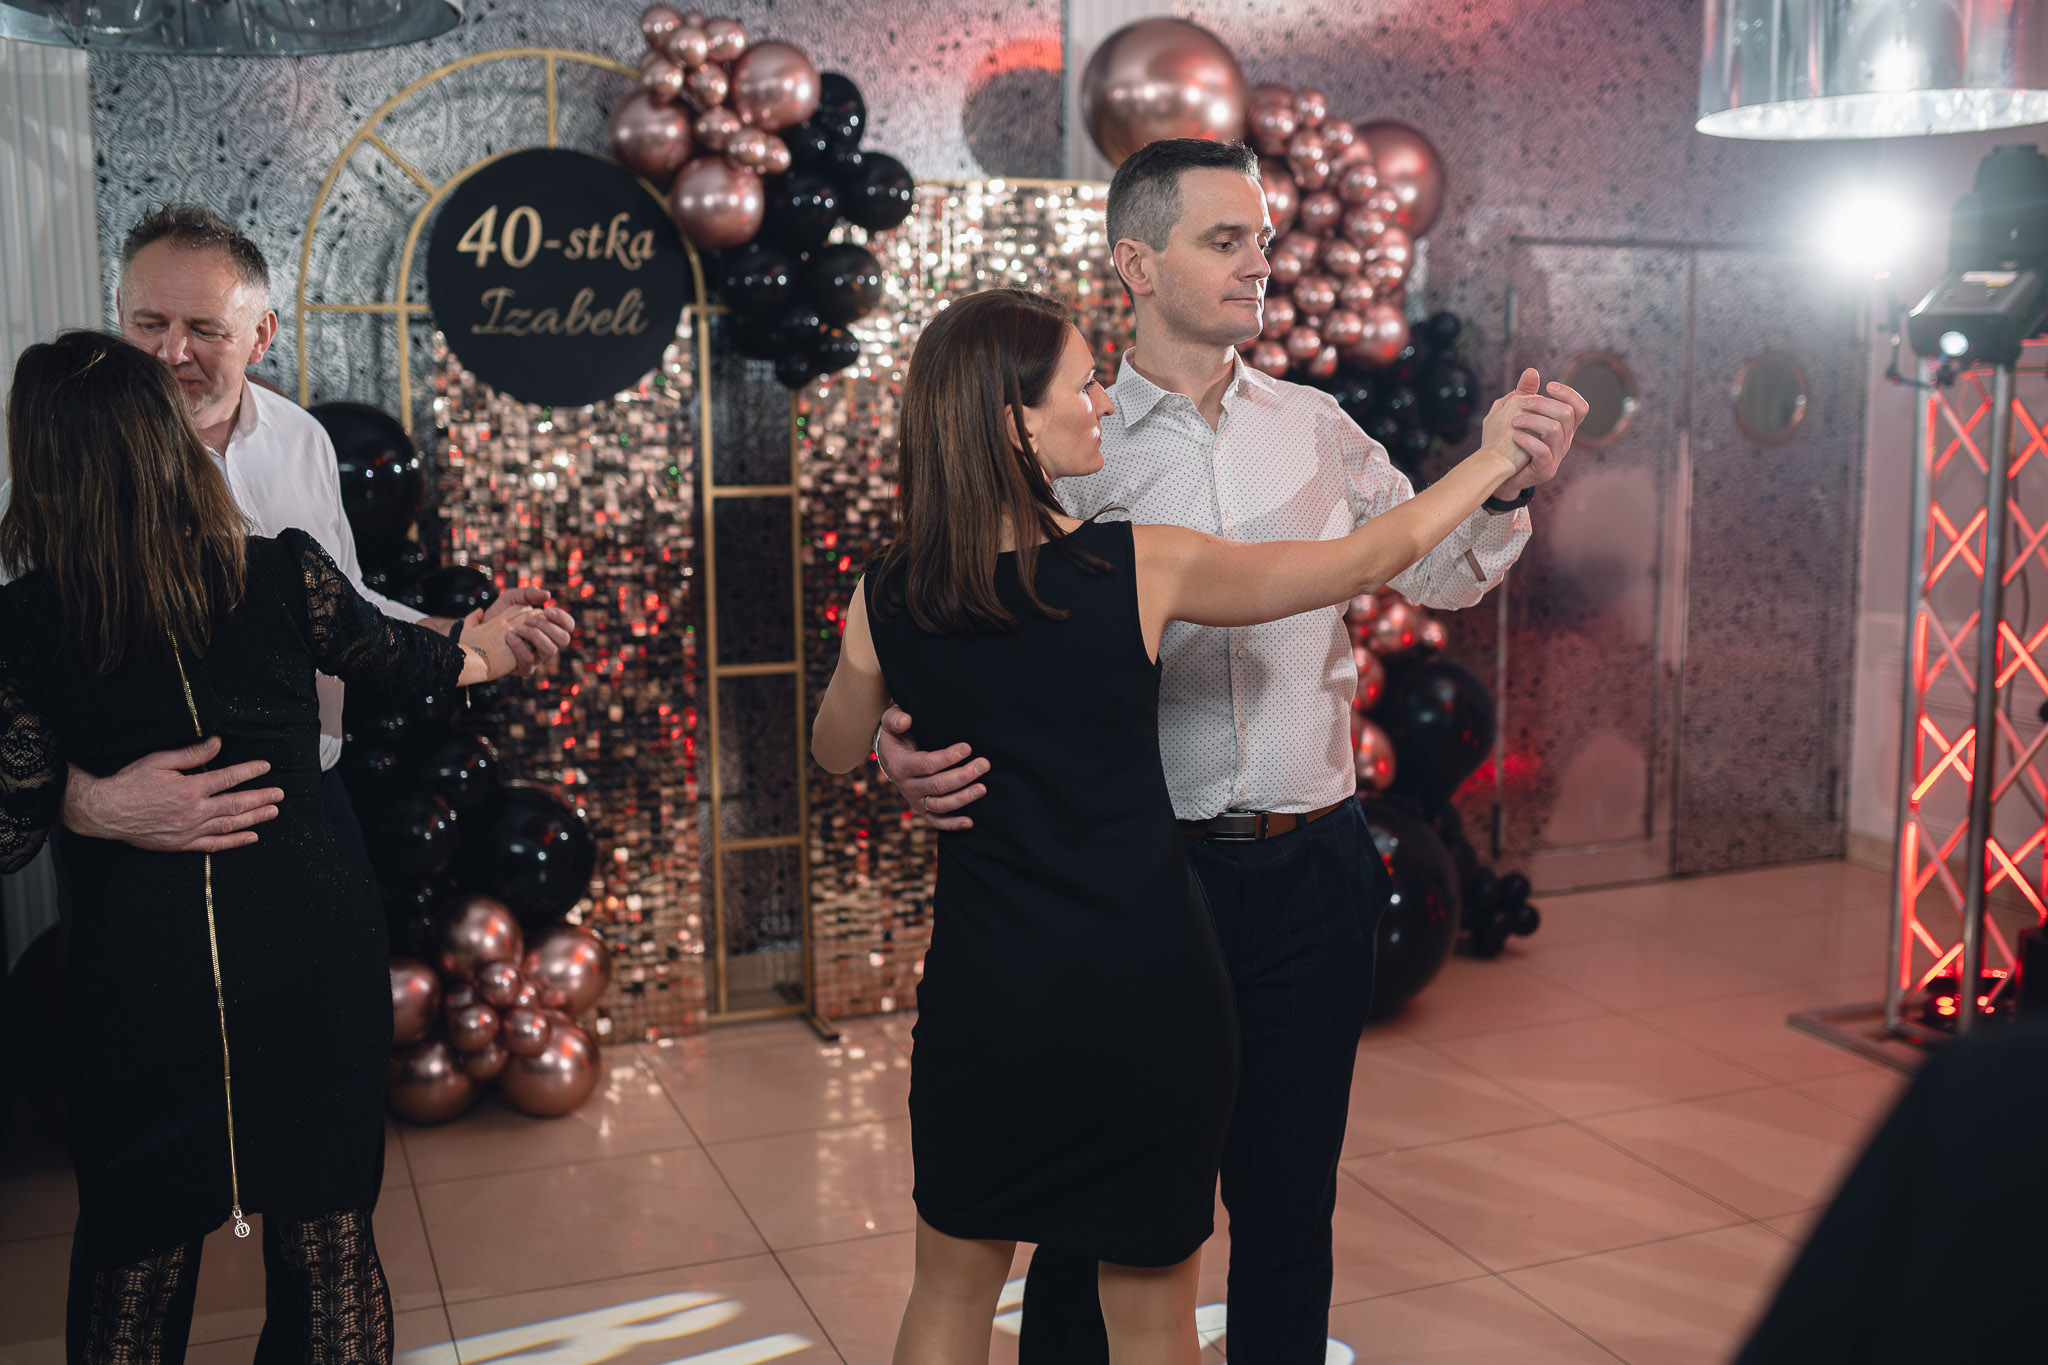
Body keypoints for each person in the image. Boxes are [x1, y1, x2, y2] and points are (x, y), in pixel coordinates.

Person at [873, 140, 1587, 1361]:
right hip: (1143, 890)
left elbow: (1434, 570)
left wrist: (1505, 489)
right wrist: (903, 739)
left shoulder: (1315, 427)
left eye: (1261, 238)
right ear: (1135, 264)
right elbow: (963, 627)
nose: (1258, 262)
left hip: (1316, 866)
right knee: (1097, 1214)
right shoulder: (1069, 442)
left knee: (1286, 1204)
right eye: (1224, 240)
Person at [0, 331, 556, 1365]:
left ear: (41, 466)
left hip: (143, 974)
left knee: (136, 1262)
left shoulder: (22, 624)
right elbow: (413, 664)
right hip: (307, 946)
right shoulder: (280, 572)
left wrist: (88, 800)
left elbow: (9, 824)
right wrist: (491, 642)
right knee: (328, 1244)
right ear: (166, 446)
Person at [0, 203, 572, 864]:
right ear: (120, 313)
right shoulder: (54, 487)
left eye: (205, 329)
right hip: (138, 841)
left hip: (312, 798)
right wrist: (92, 804)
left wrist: (460, 634)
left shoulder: (302, 439)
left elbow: (344, 604)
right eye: (149, 323)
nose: (172, 352)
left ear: (260, 335)